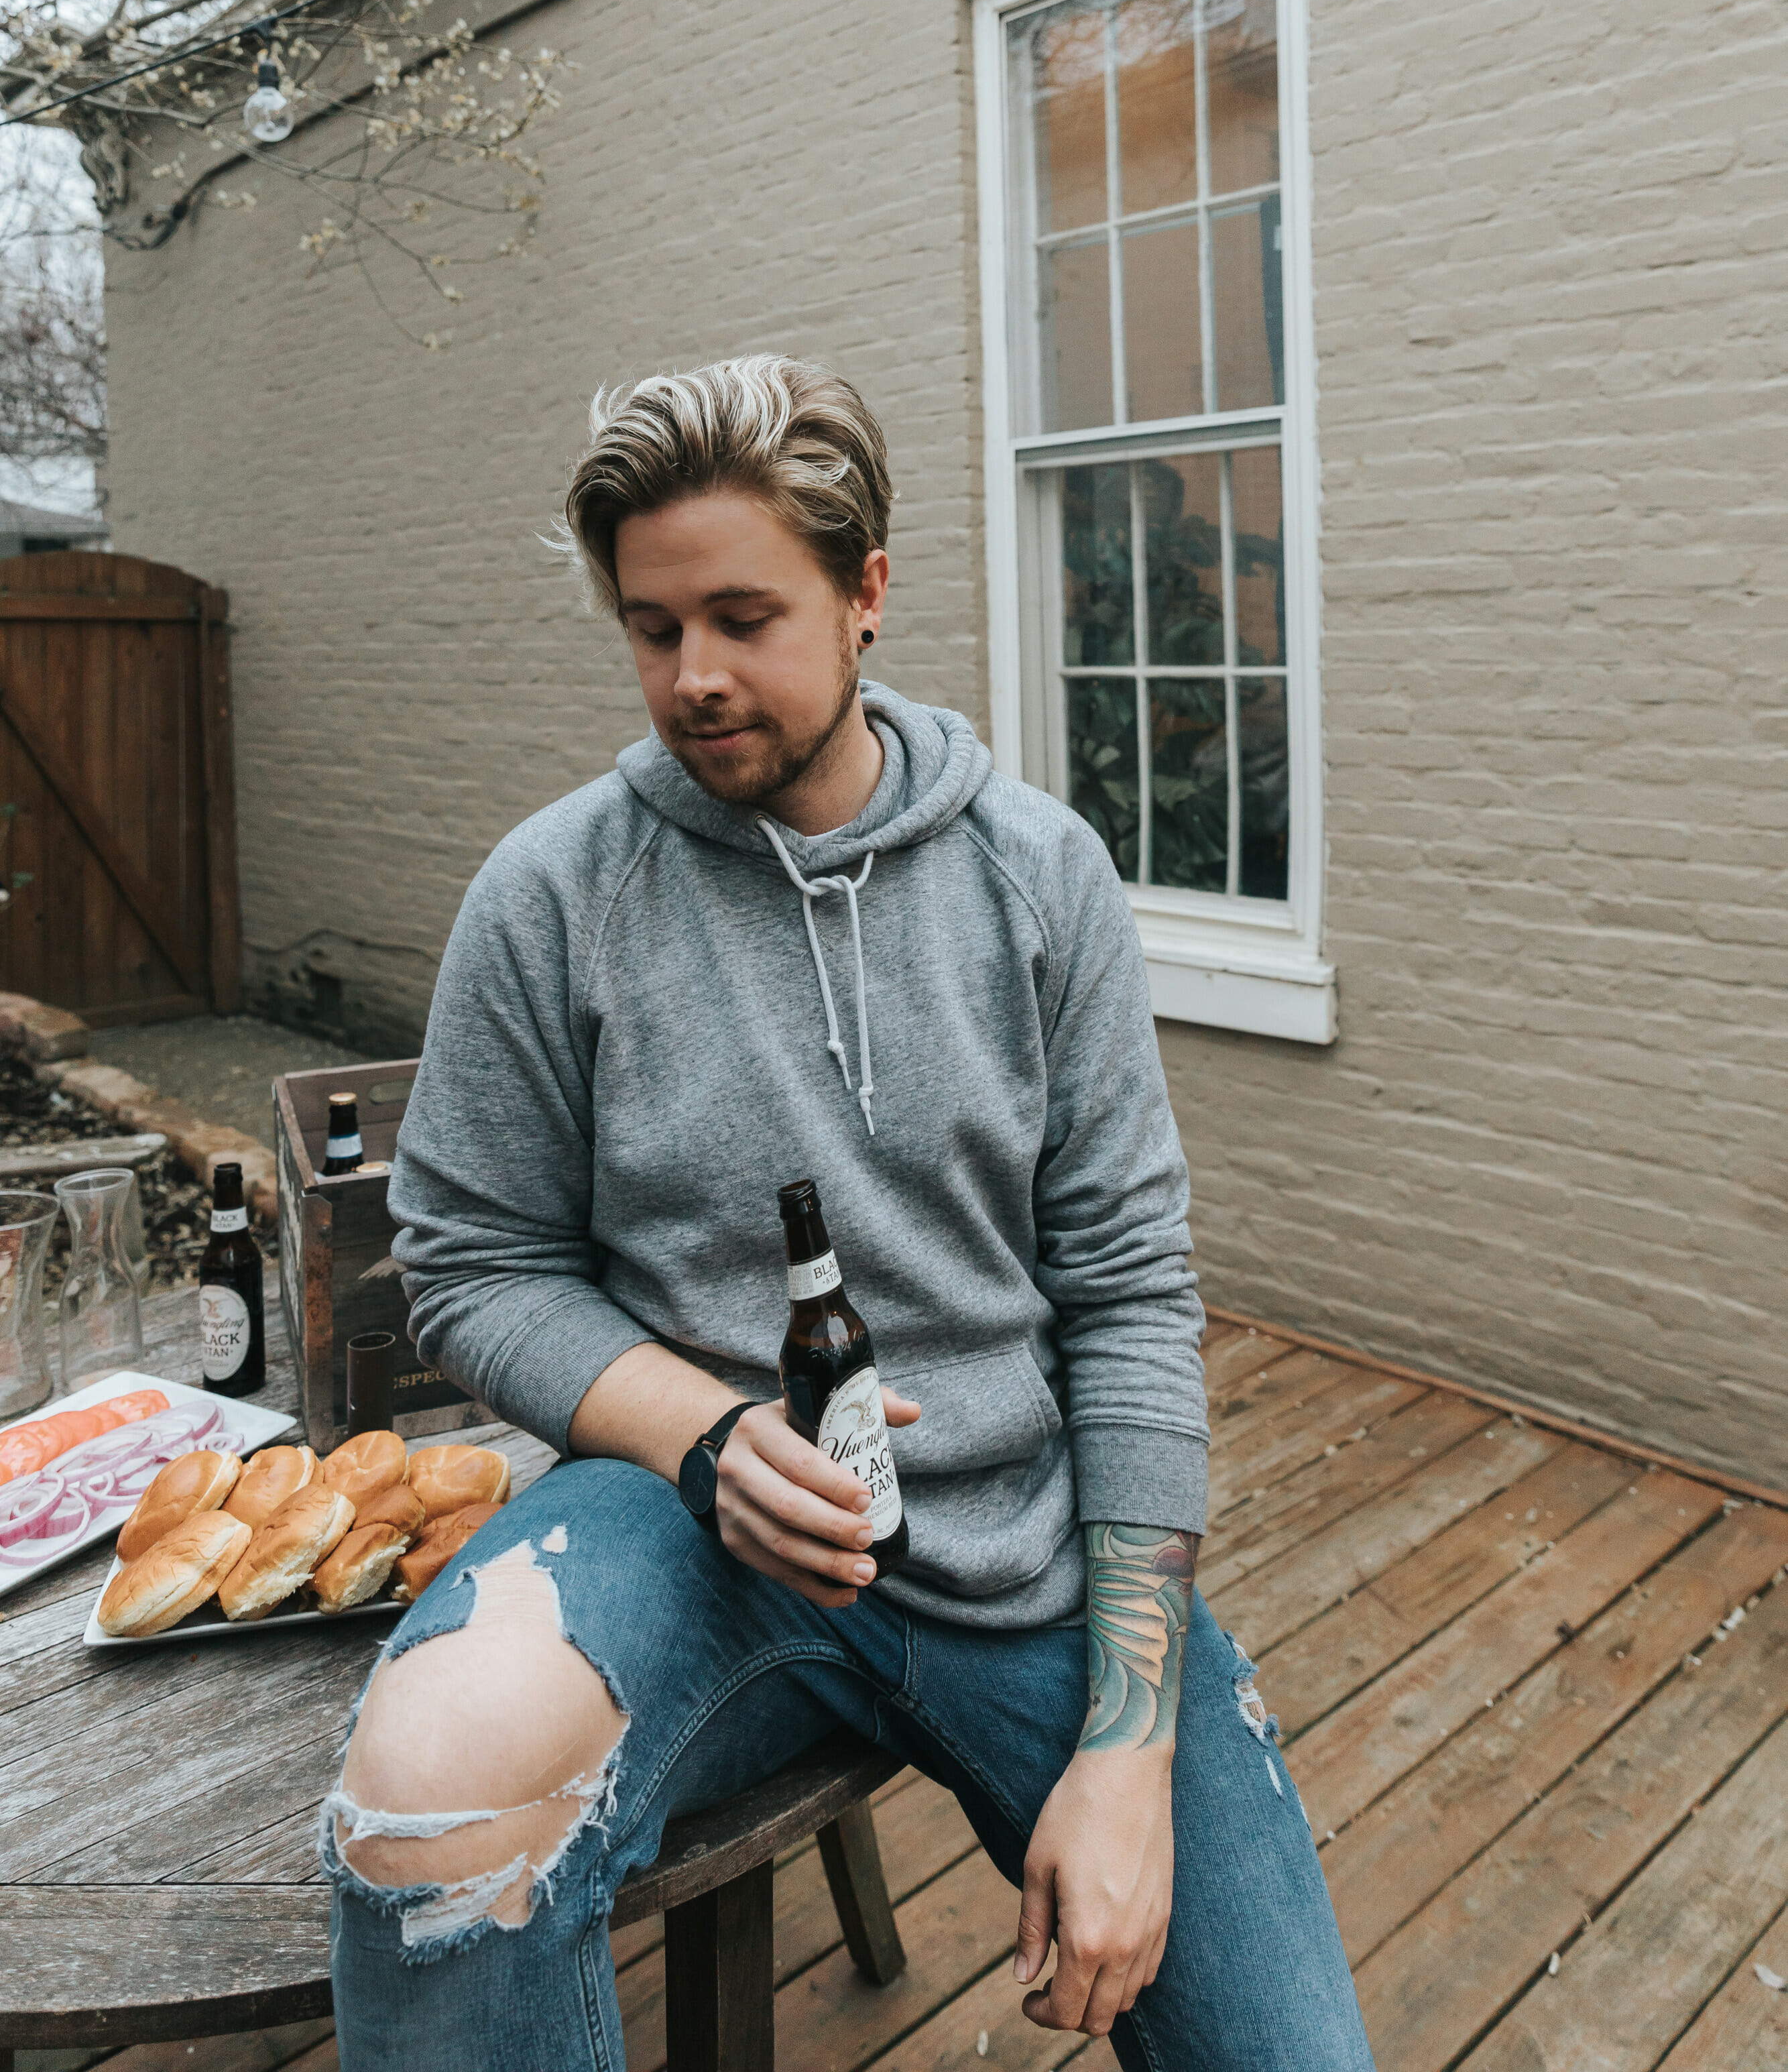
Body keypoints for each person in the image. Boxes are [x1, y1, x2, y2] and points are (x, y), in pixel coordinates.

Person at [324, 354, 1375, 2071]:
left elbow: (1123, 1295)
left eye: (744, 613)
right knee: (420, 1803)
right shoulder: (553, 893)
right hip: (693, 1542)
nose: (696, 675)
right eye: (653, 628)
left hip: (1029, 1562)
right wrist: (705, 1431)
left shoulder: (1039, 879)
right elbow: (472, 1263)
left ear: (867, 589)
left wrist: (1122, 1754)